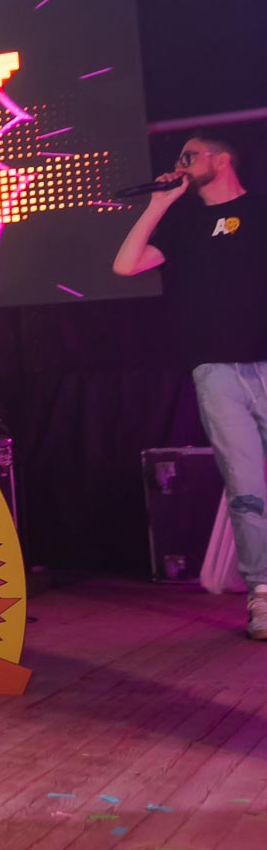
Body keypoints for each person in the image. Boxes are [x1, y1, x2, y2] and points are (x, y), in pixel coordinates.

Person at [113, 132, 267, 640]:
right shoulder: (184, 224)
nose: (180, 164)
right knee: (246, 489)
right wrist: (159, 204)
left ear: (221, 160)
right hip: (215, 372)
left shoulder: (259, 210)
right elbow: (126, 265)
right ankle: (262, 594)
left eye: (189, 156)